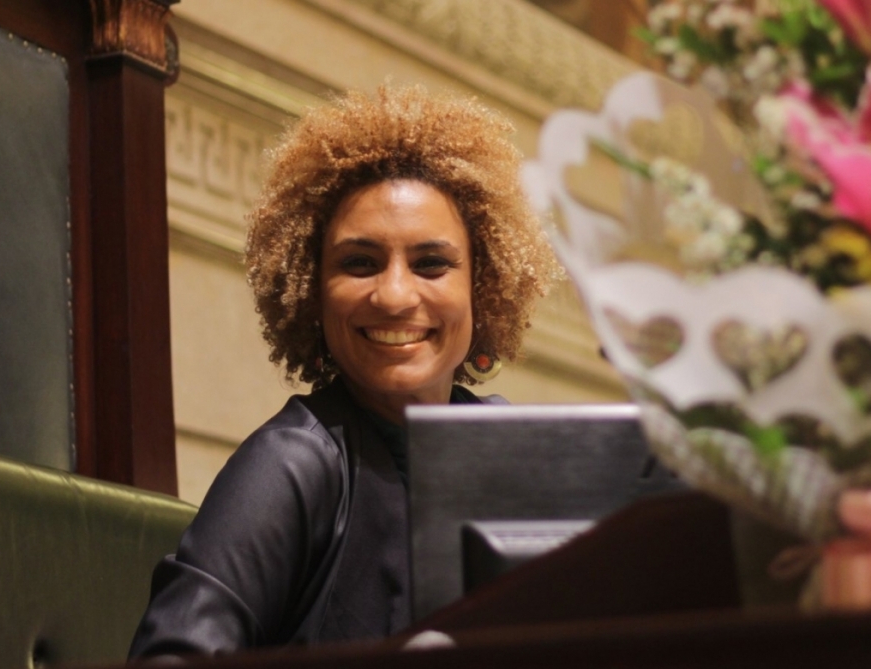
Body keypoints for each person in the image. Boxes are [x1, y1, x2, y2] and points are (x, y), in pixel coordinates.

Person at [128, 86, 558, 658]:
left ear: (482, 287)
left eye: (431, 263)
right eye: (360, 263)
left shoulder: (511, 449)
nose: (395, 295)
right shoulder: (288, 463)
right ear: (313, 293)